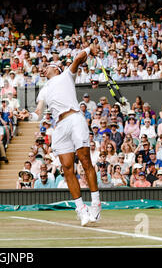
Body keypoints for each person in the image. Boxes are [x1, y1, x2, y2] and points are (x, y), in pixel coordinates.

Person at [19, 43, 101, 226]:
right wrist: (28, 115)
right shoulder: (44, 89)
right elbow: (38, 113)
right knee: (67, 168)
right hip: (60, 126)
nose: (44, 67)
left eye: (48, 65)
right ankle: (81, 209)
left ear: (56, 69)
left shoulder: (66, 75)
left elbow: (79, 58)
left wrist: (90, 49)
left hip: (75, 118)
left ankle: (96, 203)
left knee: (85, 160)